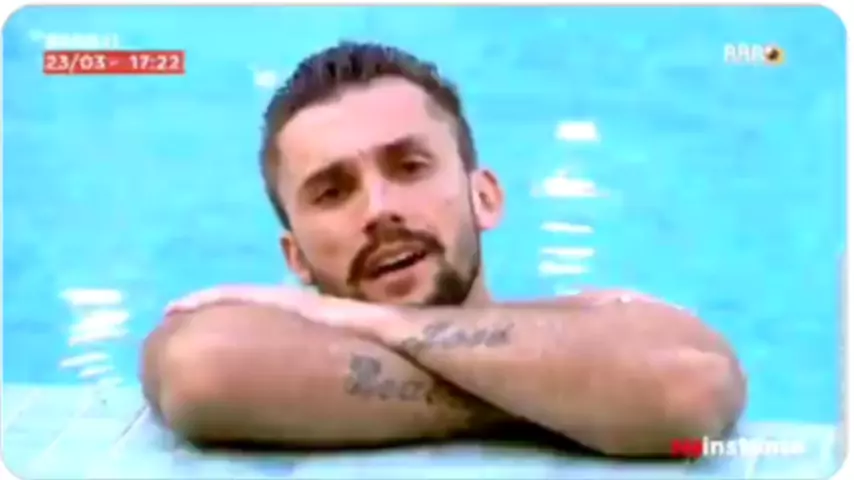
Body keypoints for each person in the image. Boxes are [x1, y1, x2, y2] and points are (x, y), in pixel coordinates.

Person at [142, 42, 746, 457]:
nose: (379, 209)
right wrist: (579, 392)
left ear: (484, 197)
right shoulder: (597, 335)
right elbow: (202, 372)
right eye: (332, 192)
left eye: (410, 166)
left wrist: (367, 321)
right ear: (295, 258)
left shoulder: (597, 313)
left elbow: (687, 391)